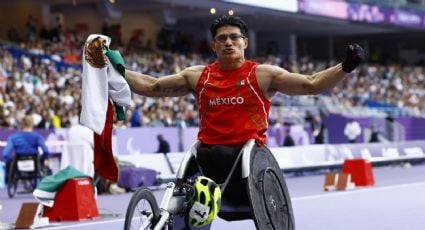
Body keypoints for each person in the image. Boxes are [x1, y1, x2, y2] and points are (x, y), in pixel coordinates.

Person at [87, 15, 364, 227]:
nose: (228, 42)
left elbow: (311, 83)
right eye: (222, 39)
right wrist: (112, 67)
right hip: (206, 156)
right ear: (214, 45)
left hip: (245, 157)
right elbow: (151, 86)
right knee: (177, 202)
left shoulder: (263, 75)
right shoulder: (198, 76)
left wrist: (346, 66)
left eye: (234, 37)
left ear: (245, 42)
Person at [2, 115, 50, 180]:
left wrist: (13, 160)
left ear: (22, 123)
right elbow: (46, 151)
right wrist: (43, 159)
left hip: (18, 164)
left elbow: (5, 153)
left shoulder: (13, 137)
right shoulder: (37, 137)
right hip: (35, 164)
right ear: (32, 123)